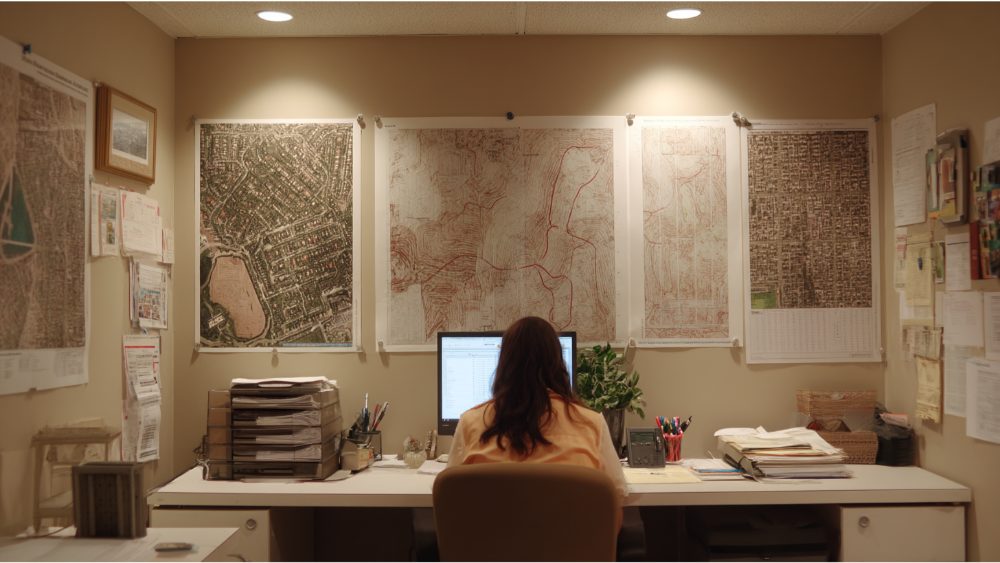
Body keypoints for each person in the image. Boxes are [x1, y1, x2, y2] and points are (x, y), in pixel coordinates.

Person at [445, 316, 628, 515]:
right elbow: (614, 512)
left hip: (493, 545)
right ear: (558, 362)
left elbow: (450, 503)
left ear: (505, 363)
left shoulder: (470, 423)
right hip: (570, 546)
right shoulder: (592, 424)